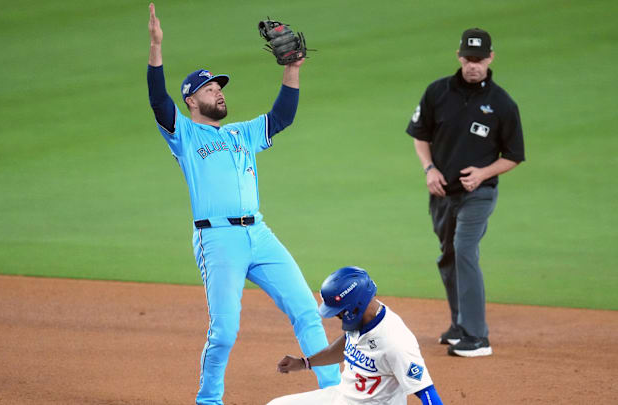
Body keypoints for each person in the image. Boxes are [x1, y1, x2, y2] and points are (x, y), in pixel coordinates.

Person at [145, 3, 340, 403]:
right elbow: (158, 101)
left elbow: (281, 117)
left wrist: (293, 69)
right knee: (226, 330)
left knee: (307, 309)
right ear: (192, 101)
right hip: (217, 241)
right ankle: (209, 399)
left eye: (220, 86)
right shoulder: (183, 135)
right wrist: (156, 49)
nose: (218, 90)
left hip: (259, 233)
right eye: (209, 87)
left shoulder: (241, 134)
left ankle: (335, 392)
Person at [406, 28, 526, 357]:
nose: (474, 65)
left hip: (479, 193)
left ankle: (477, 336)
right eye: (468, 59)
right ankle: (459, 324)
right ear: (459, 57)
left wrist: (483, 173)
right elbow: (420, 135)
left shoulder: (502, 104)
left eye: (480, 59)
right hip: (442, 192)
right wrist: (429, 169)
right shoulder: (437, 92)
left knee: (464, 248)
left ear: (491, 58)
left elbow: (514, 155)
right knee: (448, 256)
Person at [267, 266, 445, 405]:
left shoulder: (395, 342)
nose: (337, 317)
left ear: (356, 305)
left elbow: (426, 392)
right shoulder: (364, 317)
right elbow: (346, 344)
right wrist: (304, 363)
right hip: (341, 397)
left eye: (339, 312)